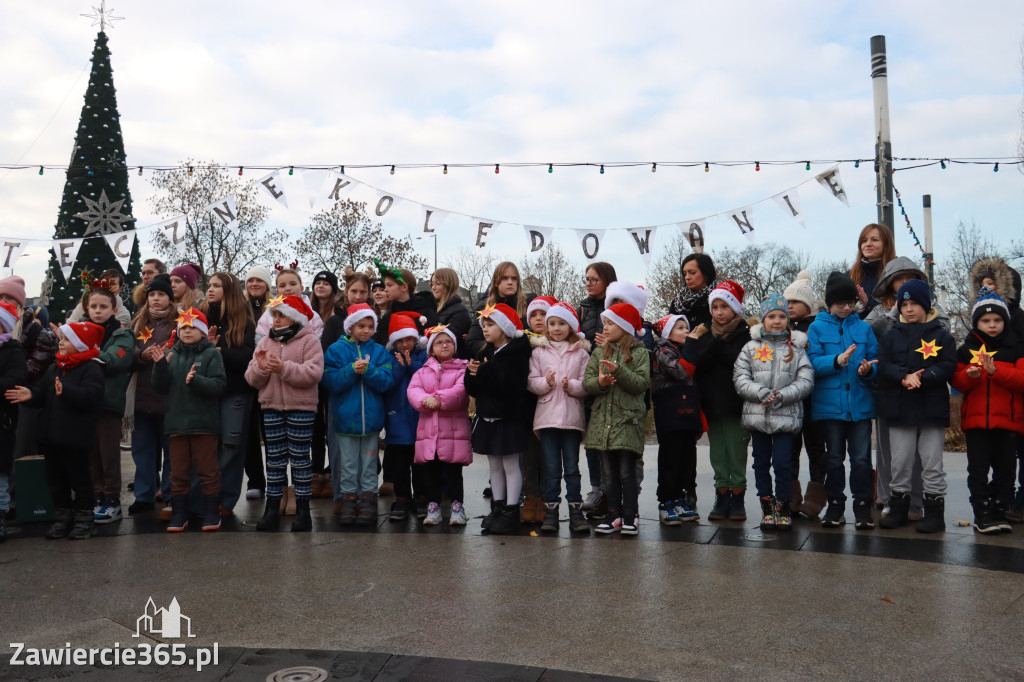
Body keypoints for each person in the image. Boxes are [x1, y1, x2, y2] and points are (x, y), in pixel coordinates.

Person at [7, 321, 103, 540]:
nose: (61, 343)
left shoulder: (92, 367)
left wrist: (66, 391)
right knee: (55, 480)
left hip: (75, 437)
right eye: (61, 339)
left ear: (81, 344)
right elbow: (42, 390)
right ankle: (62, 517)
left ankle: (84, 519)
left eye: (67, 340)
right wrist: (31, 395)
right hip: (51, 436)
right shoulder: (56, 366)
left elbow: (92, 396)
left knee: (79, 480)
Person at [877, 280, 956, 533]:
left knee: (932, 464)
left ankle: (934, 513)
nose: (909, 309)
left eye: (915, 304)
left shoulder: (942, 336)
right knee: (899, 463)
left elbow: (947, 365)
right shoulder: (891, 337)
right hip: (901, 410)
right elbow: (884, 365)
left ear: (926, 305)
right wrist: (904, 376)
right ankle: (899, 508)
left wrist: (925, 376)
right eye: (905, 304)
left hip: (931, 410)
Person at [865, 256, 940, 520]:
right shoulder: (879, 312)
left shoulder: (931, 309)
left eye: (910, 278)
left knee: (921, 454)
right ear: (889, 283)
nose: (904, 283)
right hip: (889, 388)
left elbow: (942, 335)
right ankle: (889, 498)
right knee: (889, 452)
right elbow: (867, 335)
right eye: (899, 279)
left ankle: (917, 502)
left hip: (923, 391)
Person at [733, 294, 815, 531]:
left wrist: (783, 395)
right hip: (757, 418)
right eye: (771, 316)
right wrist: (759, 392)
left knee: (782, 463)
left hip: (785, 419)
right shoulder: (750, 348)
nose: (777, 321)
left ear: (788, 320)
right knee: (760, 464)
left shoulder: (797, 350)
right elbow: (740, 378)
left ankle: (782, 506)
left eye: (782, 316)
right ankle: (767, 508)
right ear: (763, 320)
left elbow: (806, 380)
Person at [244, 295, 324, 532]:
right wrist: (261, 367)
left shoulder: (309, 340)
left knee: (300, 460)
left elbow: (313, 373)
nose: (276, 319)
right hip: (271, 407)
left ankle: (303, 511)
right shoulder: (266, 342)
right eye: (274, 315)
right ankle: (272, 509)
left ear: (295, 317)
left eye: (281, 314)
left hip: (301, 407)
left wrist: (283, 368)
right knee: (275, 461)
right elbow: (251, 378)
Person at [806, 272, 879, 530]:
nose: (847, 308)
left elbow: (876, 360)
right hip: (830, 407)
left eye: (850, 302)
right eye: (840, 303)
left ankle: (863, 505)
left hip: (859, 405)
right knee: (834, 458)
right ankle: (835, 504)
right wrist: (836, 361)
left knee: (861, 458)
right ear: (829, 303)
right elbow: (812, 362)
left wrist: (868, 369)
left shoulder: (864, 327)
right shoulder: (816, 327)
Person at [951, 291, 1024, 533]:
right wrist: (970, 376)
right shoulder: (966, 349)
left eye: (997, 320)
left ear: (1005, 321)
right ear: (977, 323)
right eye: (985, 321)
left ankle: (1000, 510)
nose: (992, 325)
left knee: (1005, 470)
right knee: (978, 470)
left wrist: (995, 372)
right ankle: (982, 514)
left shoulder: (1017, 348)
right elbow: (958, 383)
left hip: (1009, 423)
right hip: (977, 423)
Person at [151, 307, 227, 532]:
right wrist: (160, 367)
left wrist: (197, 381)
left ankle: (212, 513)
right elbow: (159, 387)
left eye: (193, 327)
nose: (187, 331)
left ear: (203, 331)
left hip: (204, 425)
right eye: (183, 327)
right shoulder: (169, 355)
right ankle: (180, 514)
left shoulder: (211, 353)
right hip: (177, 426)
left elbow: (220, 385)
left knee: (208, 472)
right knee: (178, 474)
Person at [322, 303, 394, 525]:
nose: (366, 330)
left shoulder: (379, 351)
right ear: (350, 326)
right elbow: (329, 381)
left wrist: (370, 371)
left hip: (371, 423)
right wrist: (351, 371)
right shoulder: (335, 350)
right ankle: (349, 501)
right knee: (348, 465)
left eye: (370, 326)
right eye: (361, 325)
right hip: (345, 421)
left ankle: (368, 502)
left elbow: (387, 382)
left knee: (369, 464)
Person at [685, 280, 751, 521]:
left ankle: (737, 498)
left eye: (725, 306)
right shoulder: (703, 334)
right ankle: (721, 495)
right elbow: (697, 364)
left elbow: (742, 362)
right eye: (716, 307)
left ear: (735, 308)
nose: (720, 312)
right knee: (718, 454)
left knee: (736, 452)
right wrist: (711, 347)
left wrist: (719, 348)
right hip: (712, 405)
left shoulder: (745, 334)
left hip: (736, 405)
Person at [465, 303, 533, 535]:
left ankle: (512, 510)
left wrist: (484, 372)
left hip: (509, 417)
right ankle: (498, 505)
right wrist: (471, 375)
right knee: (494, 465)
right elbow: (476, 391)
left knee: (510, 465)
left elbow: (509, 385)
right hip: (488, 416)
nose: (485, 329)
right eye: (483, 324)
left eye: (491, 324)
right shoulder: (485, 353)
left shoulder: (516, 354)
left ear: (504, 327)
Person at [585, 302, 651, 535]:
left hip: (627, 421)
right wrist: (600, 384)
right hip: (604, 422)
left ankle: (630, 515)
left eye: (610, 323)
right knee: (609, 473)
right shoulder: (599, 352)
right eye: (605, 323)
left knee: (627, 471)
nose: (605, 327)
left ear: (624, 327)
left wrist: (619, 372)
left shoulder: (640, 353)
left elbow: (642, 383)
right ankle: (613, 514)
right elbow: (588, 382)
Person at [527, 302, 592, 534]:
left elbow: (587, 383)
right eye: (552, 323)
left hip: (572, 419)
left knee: (572, 468)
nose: (556, 328)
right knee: (552, 469)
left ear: (571, 326)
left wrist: (571, 386)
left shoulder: (581, 352)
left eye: (561, 323)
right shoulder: (538, 352)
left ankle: (576, 511)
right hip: (547, 419)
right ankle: (551, 512)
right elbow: (531, 381)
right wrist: (547, 383)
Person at [202, 272, 257, 514]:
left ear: (229, 290)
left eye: (216, 285)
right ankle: (205, 495)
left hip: (236, 390)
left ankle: (226, 497)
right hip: (206, 390)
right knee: (206, 445)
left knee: (231, 445)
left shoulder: (244, 320)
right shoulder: (201, 316)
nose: (210, 289)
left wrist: (217, 350)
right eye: (209, 285)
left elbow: (246, 357)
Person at [407, 324, 472, 526]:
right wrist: (424, 401)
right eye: (439, 342)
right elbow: (413, 390)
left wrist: (437, 399)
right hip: (430, 433)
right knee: (431, 472)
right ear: (431, 348)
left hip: (454, 432)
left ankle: (457, 506)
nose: (444, 345)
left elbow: (460, 393)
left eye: (448, 341)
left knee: (454, 472)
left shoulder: (463, 368)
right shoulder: (422, 371)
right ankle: (432, 505)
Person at [83, 285, 134, 524]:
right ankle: (95, 496)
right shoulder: (78, 330)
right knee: (90, 452)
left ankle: (111, 499)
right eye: (93, 307)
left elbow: (114, 361)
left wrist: (87, 351)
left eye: (103, 307)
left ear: (113, 310)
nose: (97, 311)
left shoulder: (121, 334)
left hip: (108, 402)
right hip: (84, 402)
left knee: (108, 453)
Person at [128, 274, 175, 514]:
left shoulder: (178, 322)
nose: (156, 299)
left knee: (171, 451)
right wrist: (141, 356)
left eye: (161, 294)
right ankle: (144, 495)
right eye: (152, 295)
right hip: (142, 397)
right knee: (142, 450)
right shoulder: (138, 323)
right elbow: (127, 354)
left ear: (170, 298)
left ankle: (169, 494)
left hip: (169, 398)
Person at [783, 270, 827, 518]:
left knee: (815, 449)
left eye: (795, 302)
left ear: (808, 304)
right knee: (790, 449)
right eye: (787, 301)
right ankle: (791, 496)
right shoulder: (783, 326)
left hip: (814, 400)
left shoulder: (818, 328)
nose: (789, 306)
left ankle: (816, 496)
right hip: (790, 401)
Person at [650, 313, 701, 524]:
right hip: (670, 412)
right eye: (680, 328)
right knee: (670, 458)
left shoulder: (682, 349)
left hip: (687, 410)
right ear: (667, 332)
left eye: (686, 327)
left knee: (686, 459)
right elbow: (681, 372)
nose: (686, 332)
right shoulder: (663, 351)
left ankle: (680, 498)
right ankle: (666, 501)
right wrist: (692, 345)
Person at [576, 262, 616, 515]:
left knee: (611, 441)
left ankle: (614, 491)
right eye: (587, 279)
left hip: (613, 382)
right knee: (592, 441)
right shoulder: (581, 308)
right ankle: (596, 488)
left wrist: (609, 343)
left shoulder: (618, 307)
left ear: (607, 281)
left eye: (594, 279)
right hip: (588, 379)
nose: (589, 283)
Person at [381, 312, 427, 522]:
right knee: (399, 463)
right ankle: (401, 497)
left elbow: (425, 379)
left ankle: (421, 497)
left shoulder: (423, 357)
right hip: (397, 417)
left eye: (409, 339)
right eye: (400, 340)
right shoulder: (389, 359)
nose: (405, 344)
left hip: (419, 420)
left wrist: (410, 365)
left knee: (419, 464)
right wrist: (400, 367)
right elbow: (388, 383)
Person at [521, 295, 556, 524]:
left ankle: (546, 499)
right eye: (533, 315)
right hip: (527, 407)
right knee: (529, 456)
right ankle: (530, 498)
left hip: (552, 408)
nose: (538, 319)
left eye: (543, 314)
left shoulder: (558, 343)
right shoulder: (523, 343)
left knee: (549, 457)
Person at [308, 270, 343, 499]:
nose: (320, 286)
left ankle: (332, 472)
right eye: (317, 283)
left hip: (329, 373)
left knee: (332, 421)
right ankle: (316, 471)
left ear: (333, 288)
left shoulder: (338, 313)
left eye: (325, 283)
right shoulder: (306, 311)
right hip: (310, 374)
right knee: (314, 425)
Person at [242, 265, 274, 500]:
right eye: (251, 280)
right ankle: (255, 479)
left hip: (270, 375)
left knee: (270, 430)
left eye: (259, 280)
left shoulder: (275, 308)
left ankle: (275, 480)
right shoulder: (240, 308)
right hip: (247, 375)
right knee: (249, 431)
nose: (255, 284)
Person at [465, 261, 533, 359]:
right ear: (496, 282)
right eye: (505, 278)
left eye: (514, 278)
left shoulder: (529, 304)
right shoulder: (485, 308)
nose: (510, 282)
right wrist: (497, 345)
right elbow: (472, 343)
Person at [14, 304, 55, 461]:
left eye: (10, 298)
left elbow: (35, 366)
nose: (5, 301)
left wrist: (8, 376)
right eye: (2, 297)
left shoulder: (37, 333)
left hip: (24, 397)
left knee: (20, 450)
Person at [0, 302, 26, 542]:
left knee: (0, 474)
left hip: (2, 420)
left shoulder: (12, 351)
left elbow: (15, 380)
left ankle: (1, 515)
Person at [371, 261, 438, 347]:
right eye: (385, 285)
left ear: (404, 287)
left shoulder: (426, 310)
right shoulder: (388, 317)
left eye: (390, 285)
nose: (385, 289)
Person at [255, 268, 324, 343]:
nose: (288, 288)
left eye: (293, 284)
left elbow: (318, 344)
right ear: (277, 292)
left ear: (301, 288)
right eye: (282, 286)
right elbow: (260, 343)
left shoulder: (313, 316)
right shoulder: (268, 315)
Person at [848, 224, 896, 320]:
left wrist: (868, 304)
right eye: (864, 241)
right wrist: (862, 306)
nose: (868, 244)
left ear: (886, 244)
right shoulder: (849, 276)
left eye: (874, 240)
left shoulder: (897, 276)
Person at [429, 268, 472, 358]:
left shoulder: (459, 312)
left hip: (452, 367)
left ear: (449, 285)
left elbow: (446, 342)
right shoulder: (434, 309)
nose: (433, 287)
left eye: (438, 284)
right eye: (432, 284)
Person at [669, 253, 717, 330]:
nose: (687, 277)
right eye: (685, 274)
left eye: (692, 273)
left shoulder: (719, 297)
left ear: (706, 274)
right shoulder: (677, 302)